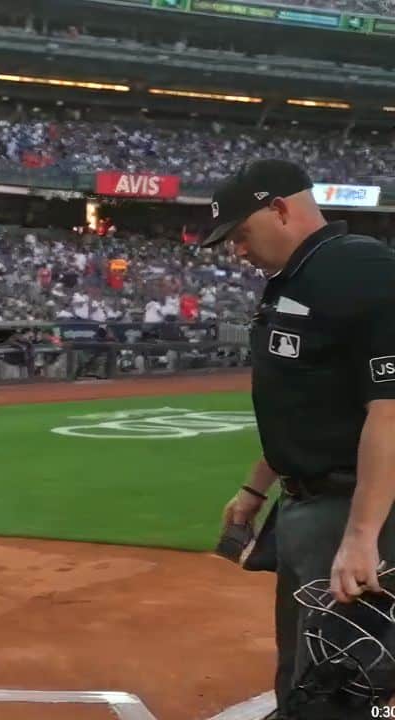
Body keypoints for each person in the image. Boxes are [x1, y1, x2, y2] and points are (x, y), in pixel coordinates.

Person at [209, 159, 395, 718]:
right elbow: (299, 406)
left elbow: (388, 413)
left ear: (281, 209)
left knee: (346, 678)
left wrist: (363, 536)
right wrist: (254, 490)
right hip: (302, 504)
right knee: (300, 666)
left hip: (351, 506)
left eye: (241, 234)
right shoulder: (294, 277)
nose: (236, 251)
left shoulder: (360, 270)